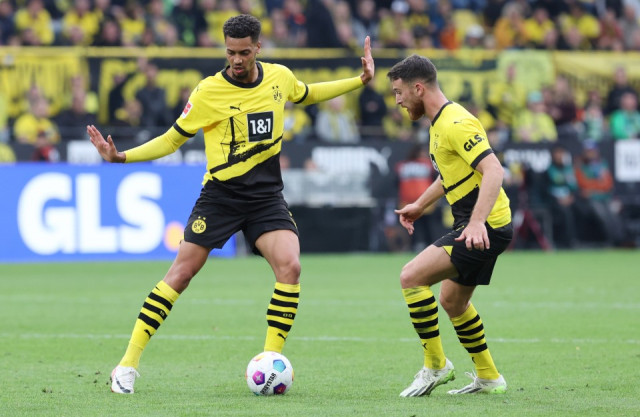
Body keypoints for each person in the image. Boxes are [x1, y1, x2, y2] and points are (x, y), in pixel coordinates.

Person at [87, 14, 374, 394]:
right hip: (221, 197)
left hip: (265, 197)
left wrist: (359, 80)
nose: (236, 60)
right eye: (230, 53)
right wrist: (122, 157)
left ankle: (270, 362)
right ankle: (127, 364)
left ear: (258, 48)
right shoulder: (208, 92)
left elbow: (308, 93)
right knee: (180, 275)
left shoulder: (279, 78)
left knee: (290, 267)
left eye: (244, 53)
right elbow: (172, 139)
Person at [387, 54, 513, 396]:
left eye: (399, 92)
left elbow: (494, 170)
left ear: (418, 88)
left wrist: (476, 223)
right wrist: (420, 205)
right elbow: (450, 176)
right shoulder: (440, 122)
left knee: (411, 277)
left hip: (485, 226)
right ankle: (489, 377)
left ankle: (435, 366)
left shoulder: (455, 122)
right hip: (483, 224)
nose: (397, 101)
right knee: (453, 302)